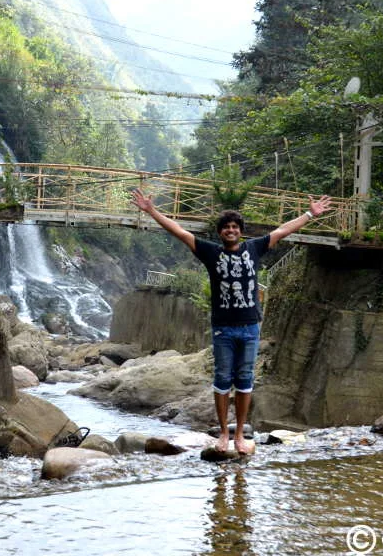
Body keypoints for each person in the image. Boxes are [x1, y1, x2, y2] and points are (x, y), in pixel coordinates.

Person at [131, 187, 331, 454]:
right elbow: (179, 232)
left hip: (250, 328)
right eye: (226, 227)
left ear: (241, 230)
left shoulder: (255, 248)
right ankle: (223, 433)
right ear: (220, 232)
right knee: (223, 378)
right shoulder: (210, 253)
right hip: (223, 329)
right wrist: (152, 210)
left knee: (245, 379)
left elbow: (284, 230)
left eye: (235, 226)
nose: (231, 230)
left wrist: (310, 213)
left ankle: (239, 434)